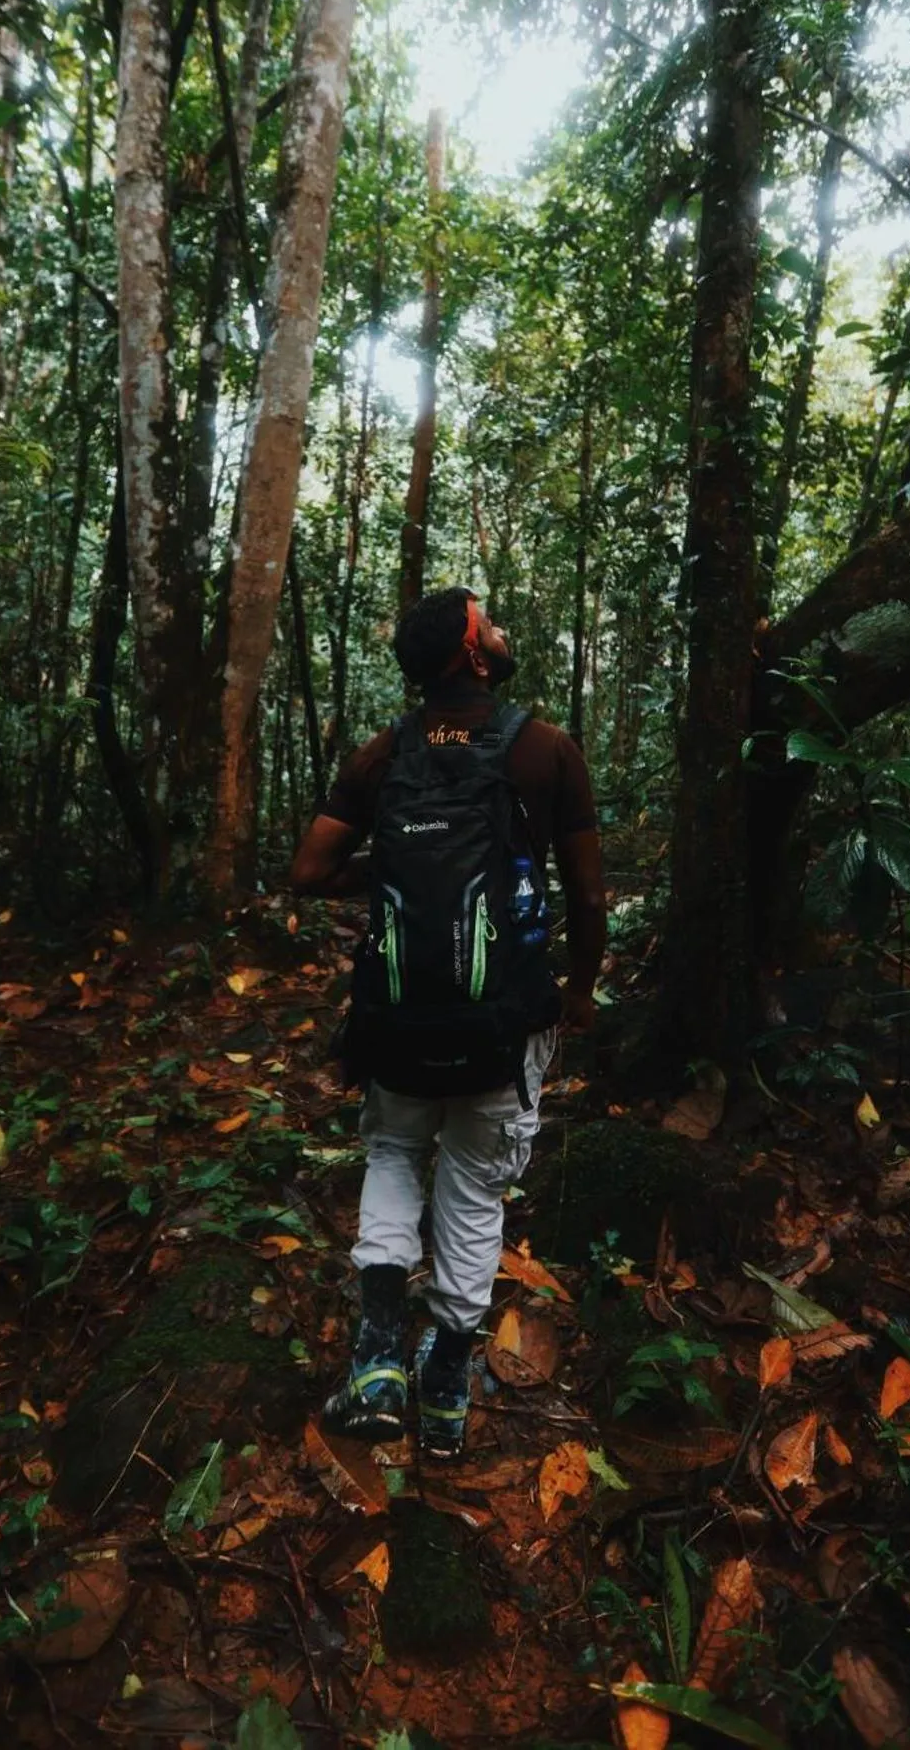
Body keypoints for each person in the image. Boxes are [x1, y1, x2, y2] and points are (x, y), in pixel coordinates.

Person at [290, 586, 607, 1457]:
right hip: (504, 1018)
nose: (503, 631)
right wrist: (579, 989)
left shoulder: (381, 753)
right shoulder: (545, 750)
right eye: (492, 621)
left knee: (394, 1154)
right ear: (471, 652)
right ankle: (442, 1399)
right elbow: (585, 894)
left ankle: (380, 1351)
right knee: (473, 1190)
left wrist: (392, 865)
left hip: (396, 1017)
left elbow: (310, 870)